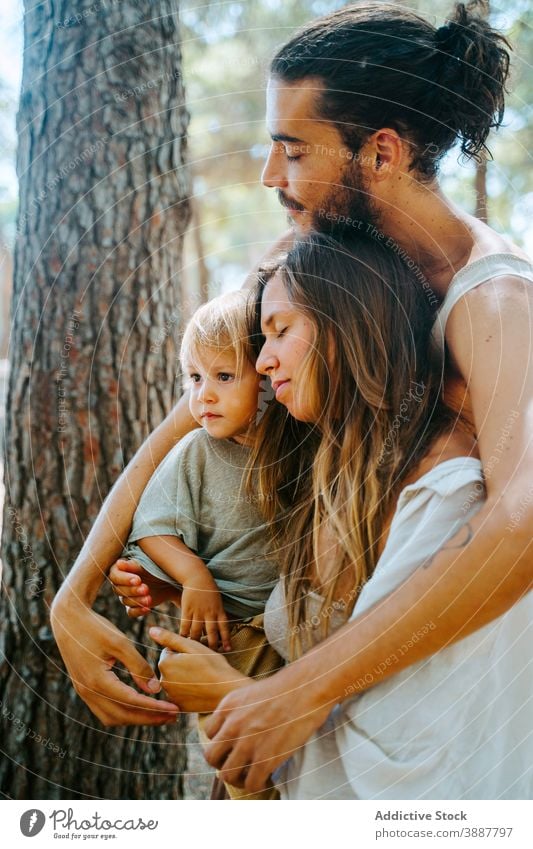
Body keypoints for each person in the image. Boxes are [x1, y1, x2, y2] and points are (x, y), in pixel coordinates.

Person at [51, 0, 533, 769]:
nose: (271, 175)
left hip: (451, 715)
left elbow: (521, 522)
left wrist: (296, 692)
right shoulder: (318, 259)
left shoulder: (493, 302)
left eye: (293, 150)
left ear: (379, 152)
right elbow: (198, 407)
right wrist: (70, 600)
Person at [152, 231, 532, 799]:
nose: (261, 361)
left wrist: (229, 695)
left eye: (280, 331)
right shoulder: (331, 481)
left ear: (348, 326)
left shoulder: (445, 497)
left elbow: (418, 759)